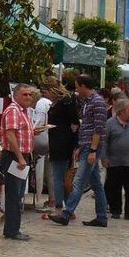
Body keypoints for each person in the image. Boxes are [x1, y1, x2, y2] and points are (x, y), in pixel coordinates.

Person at [50, 75, 109, 228]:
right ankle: (102, 217)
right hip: (86, 146)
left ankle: (66, 214)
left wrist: (92, 150)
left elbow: (98, 129)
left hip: (92, 147)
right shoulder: (86, 102)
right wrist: (80, 146)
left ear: (83, 86)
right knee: (96, 183)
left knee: (79, 182)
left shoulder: (98, 102)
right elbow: (86, 127)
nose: (75, 90)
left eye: (77, 86)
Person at [0, 83, 36, 241]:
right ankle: (12, 230)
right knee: (14, 194)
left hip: (21, 157)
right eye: (24, 94)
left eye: (29, 94)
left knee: (18, 193)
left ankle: (13, 228)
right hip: (15, 158)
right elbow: (10, 135)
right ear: (15, 96)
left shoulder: (23, 111)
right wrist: (20, 157)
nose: (28, 97)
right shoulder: (14, 110)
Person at [103, 97, 129, 221]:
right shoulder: (110, 123)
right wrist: (104, 158)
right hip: (114, 162)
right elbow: (104, 142)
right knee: (114, 187)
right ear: (121, 111)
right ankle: (115, 210)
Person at [43, 79, 78, 213]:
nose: (46, 94)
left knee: (59, 176)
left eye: (47, 91)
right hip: (58, 139)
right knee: (62, 176)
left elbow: (74, 121)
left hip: (61, 141)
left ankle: (60, 207)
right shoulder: (60, 102)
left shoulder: (65, 101)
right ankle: (68, 207)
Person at [31, 85, 52, 206]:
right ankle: (53, 198)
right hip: (50, 138)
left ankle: (52, 200)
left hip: (44, 139)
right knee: (51, 171)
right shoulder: (46, 102)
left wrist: (30, 130)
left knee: (49, 171)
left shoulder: (40, 104)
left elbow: (39, 122)